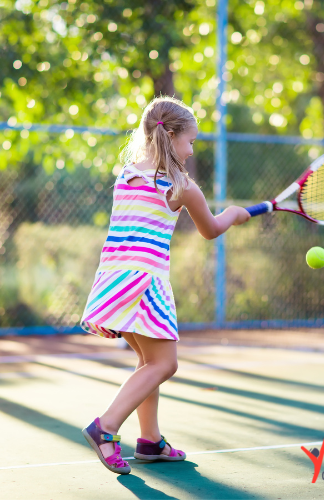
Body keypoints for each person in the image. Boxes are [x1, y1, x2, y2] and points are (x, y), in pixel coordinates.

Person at [80, 96, 250, 475]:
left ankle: (150, 441)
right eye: (189, 141)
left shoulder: (126, 175)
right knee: (164, 363)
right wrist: (234, 214)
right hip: (144, 282)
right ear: (171, 137)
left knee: (148, 362)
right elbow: (211, 229)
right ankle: (105, 428)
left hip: (114, 279)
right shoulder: (181, 186)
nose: (191, 151)